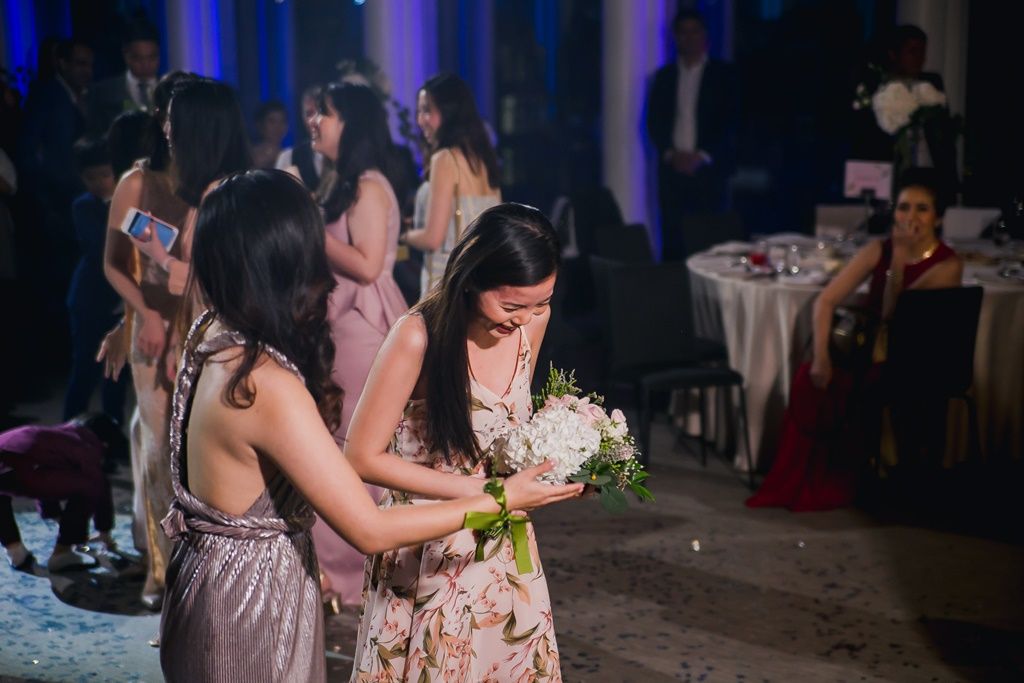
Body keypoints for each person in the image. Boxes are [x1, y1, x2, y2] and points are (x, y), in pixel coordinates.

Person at [157, 169, 580, 682]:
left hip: (211, 576)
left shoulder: (212, 333)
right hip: (248, 596)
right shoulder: (263, 384)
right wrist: (500, 498)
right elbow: (369, 527)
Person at [348, 202, 569, 680]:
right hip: (426, 544)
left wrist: (565, 462)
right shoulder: (417, 336)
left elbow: (508, 429)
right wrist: (479, 492)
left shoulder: (532, 323)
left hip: (502, 543)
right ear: (471, 278)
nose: (525, 318)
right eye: (510, 306)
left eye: (540, 303)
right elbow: (361, 456)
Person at [747, 169, 963, 511]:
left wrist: (899, 260)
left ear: (937, 218)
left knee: (866, 382)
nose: (911, 216)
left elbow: (895, 315)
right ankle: (806, 481)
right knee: (809, 378)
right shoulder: (878, 249)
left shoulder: (947, 264)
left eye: (922, 209)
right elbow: (826, 301)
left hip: (911, 357)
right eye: (904, 207)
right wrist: (821, 356)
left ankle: (858, 479)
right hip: (867, 348)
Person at [308, 82, 409, 609]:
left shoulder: (369, 186)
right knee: (335, 443)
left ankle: (352, 568)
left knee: (352, 445)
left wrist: (308, 224)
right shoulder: (342, 182)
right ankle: (338, 566)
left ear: (352, 124)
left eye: (324, 113)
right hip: (341, 322)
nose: (314, 121)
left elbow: (368, 265)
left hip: (361, 326)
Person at [100, 71, 197, 609]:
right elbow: (116, 264)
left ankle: (201, 565)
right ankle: (163, 571)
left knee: (199, 448)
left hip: (203, 322)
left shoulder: (212, 182)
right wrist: (142, 317)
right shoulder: (137, 183)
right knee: (160, 450)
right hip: (154, 328)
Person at [646, 9, 739, 261]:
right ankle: (673, 285)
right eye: (683, 32)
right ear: (676, 37)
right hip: (672, 171)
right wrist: (671, 154)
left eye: (694, 31)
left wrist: (702, 155)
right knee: (673, 237)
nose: (689, 38)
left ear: (704, 35)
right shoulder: (665, 77)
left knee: (710, 239)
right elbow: (654, 121)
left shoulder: (723, 75)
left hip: (709, 171)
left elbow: (730, 121)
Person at [402, 73, 501, 299]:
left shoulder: (445, 159)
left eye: (427, 110)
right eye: (419, 111)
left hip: (446, 282)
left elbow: (432, 238)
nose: (420, 120)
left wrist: (403, 235)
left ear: (449, 112)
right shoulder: (484, 158)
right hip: (480, 281)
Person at [1, 414, 126, 571]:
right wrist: (104, 531)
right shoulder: (85, 443)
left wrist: (57, 517)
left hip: (8, 452)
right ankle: (63, 554)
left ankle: (16, 553)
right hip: (26, 468)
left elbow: (42, 469)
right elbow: (100, 487)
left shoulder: (55, 435)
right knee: (93, 485)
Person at [63, 136, 128, 424]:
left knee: (117, 373)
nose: (100, 182)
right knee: (85, 370)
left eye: (105, 175)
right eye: (91, 178)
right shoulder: (84, 206)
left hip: (121, 302)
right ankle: (67, 432)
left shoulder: (130, 202)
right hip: (90, 300)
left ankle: (112, 434)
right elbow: (100, 249)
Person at [86, 19, 161, 135]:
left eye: (152, 58)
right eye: (138, 58)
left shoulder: (170, 90)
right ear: (126, 56)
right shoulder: (104, 92)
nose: (146, 65)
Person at [276, 85, 324, 191]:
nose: (313, 121)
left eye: (320, 112)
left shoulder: (348, 158)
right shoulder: (288, 158)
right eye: (309, 114)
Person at [251, 99, 289, 169]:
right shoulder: (250, 155)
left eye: (282, 121)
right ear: (260, 125)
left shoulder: (289, 155)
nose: (278, 127)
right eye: (272, 121)